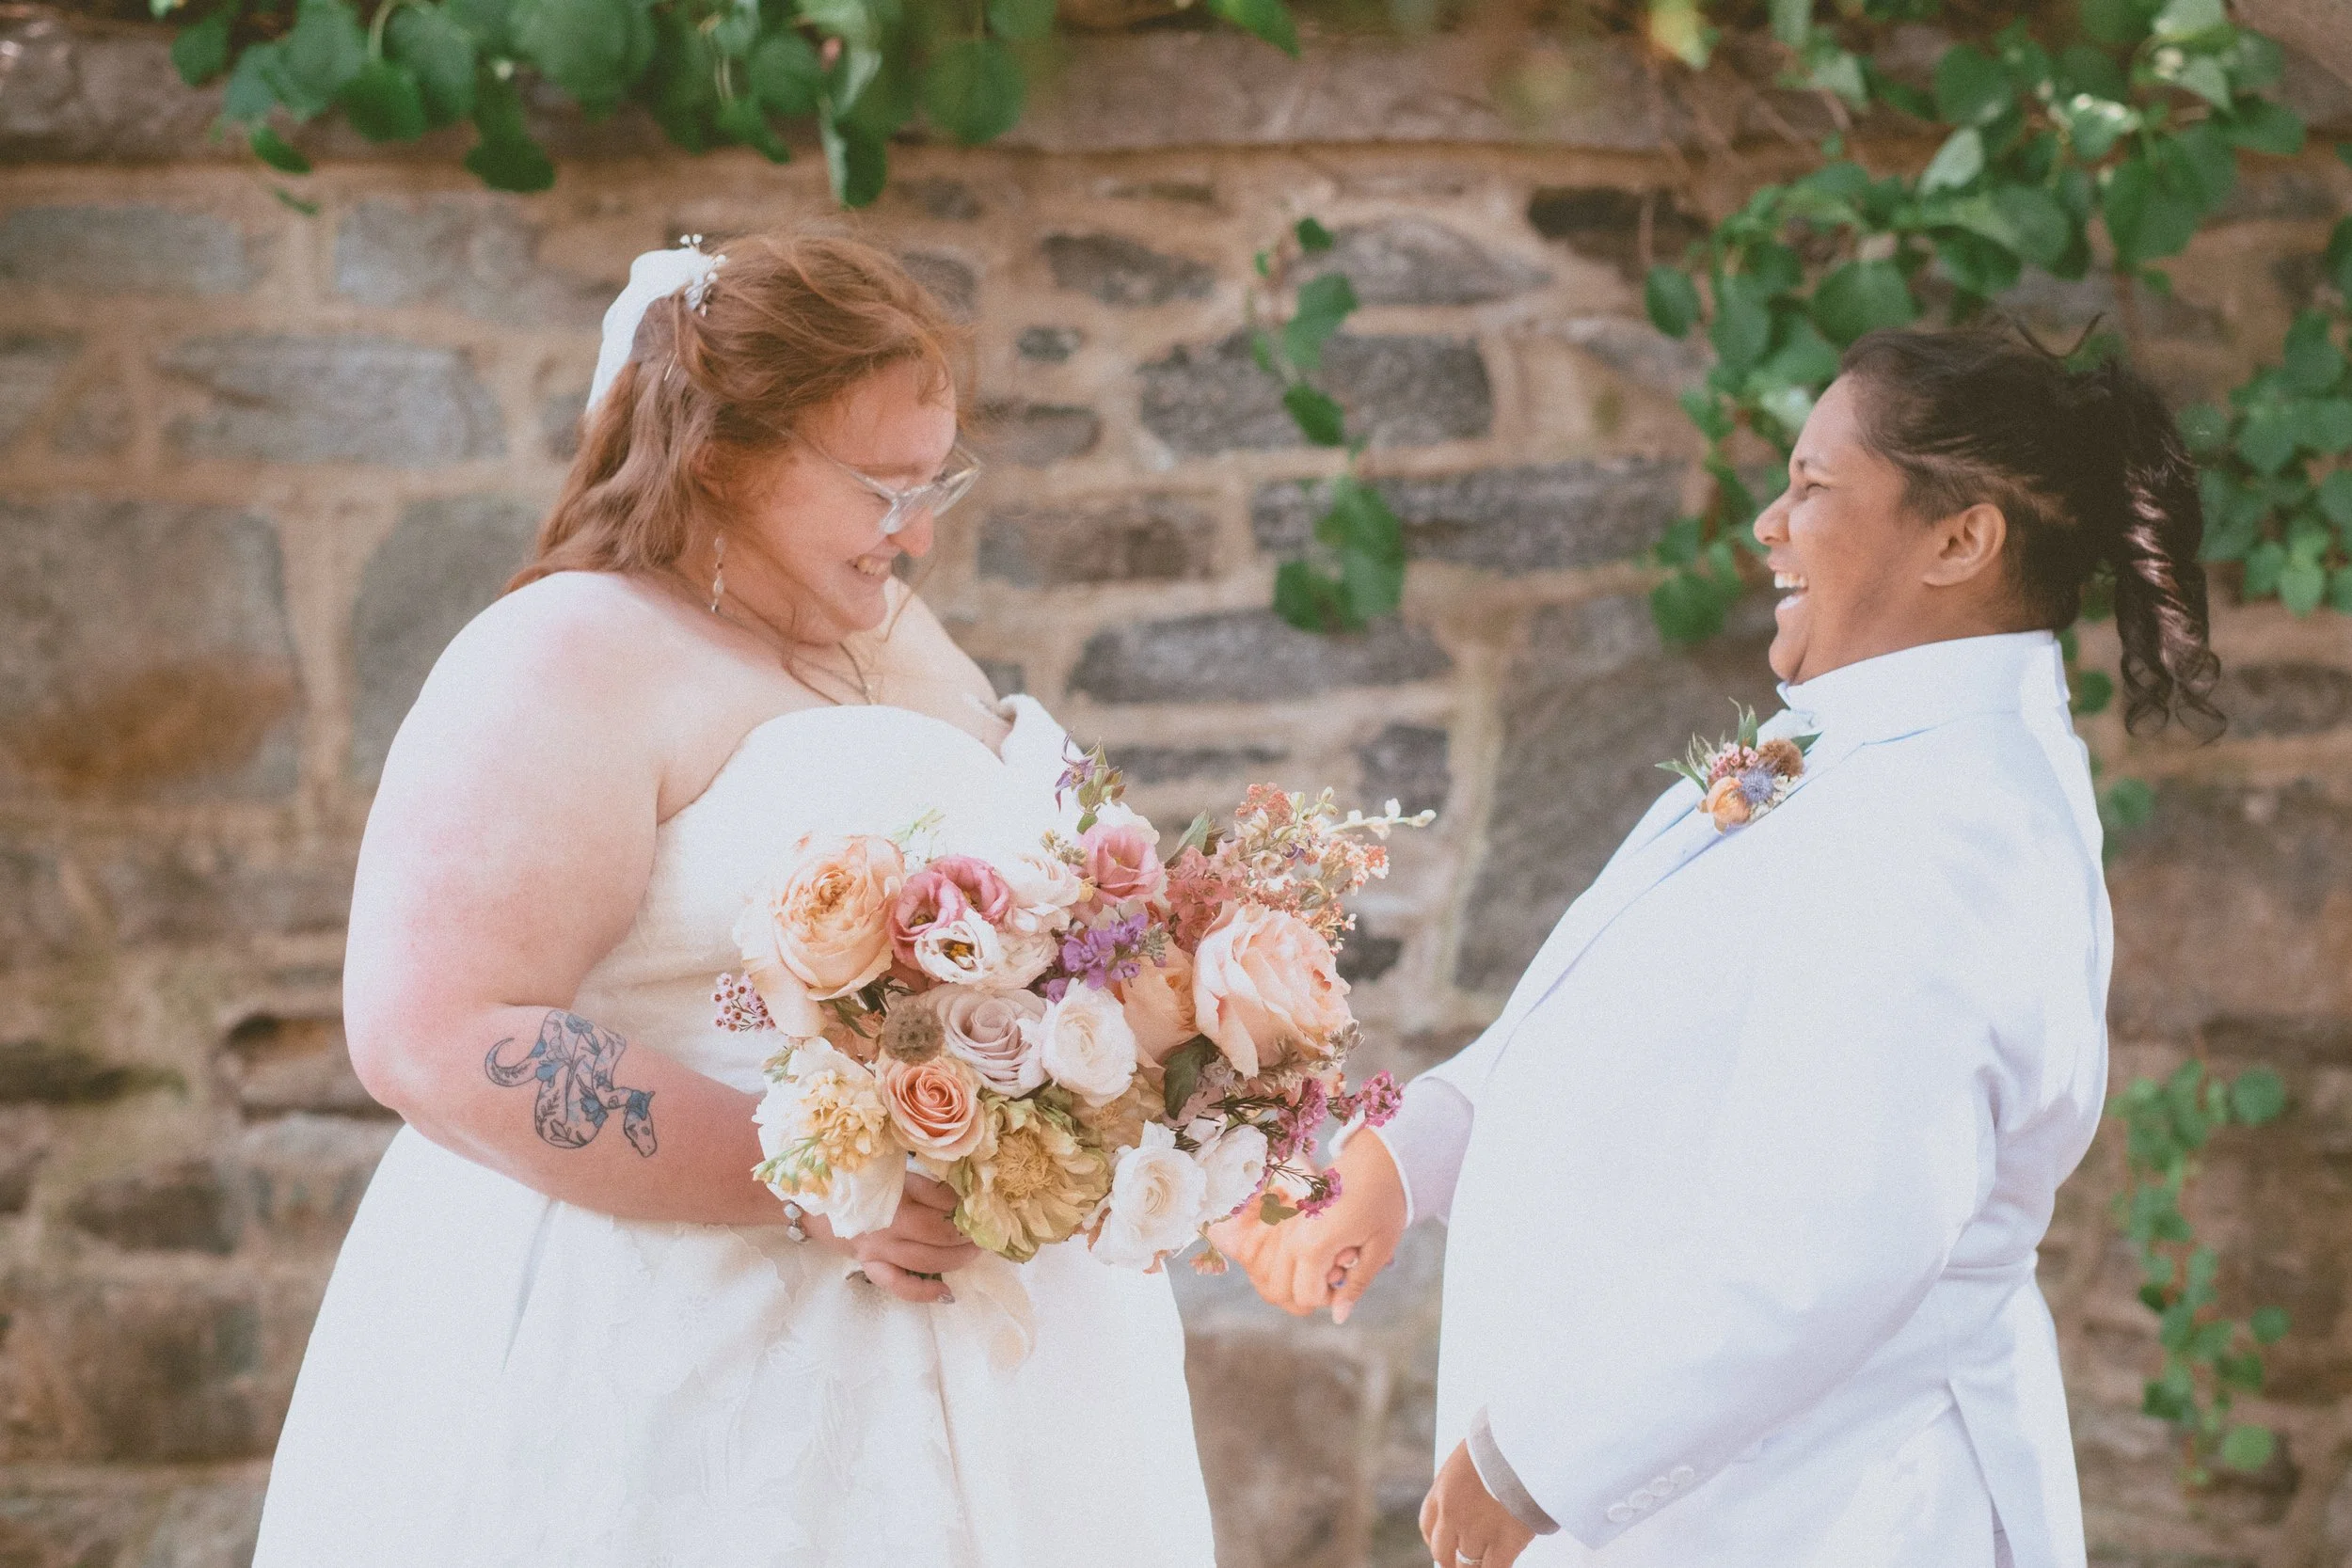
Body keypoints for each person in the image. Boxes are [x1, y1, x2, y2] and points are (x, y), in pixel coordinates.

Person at [254, 232, 1216, 1567]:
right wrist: (821, 1181)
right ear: (721, 456)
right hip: (688, 1375)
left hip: (1026, 1394)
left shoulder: (894, 639)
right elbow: (431, 1029)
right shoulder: (569, 651)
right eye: (881, 488)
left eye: (935, 480)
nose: (920, 531)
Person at [1216, 326, 2223, 1568]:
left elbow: (1832, 1239)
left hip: (1840, 1511)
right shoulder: (1840, 753)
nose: (1767, 522)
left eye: (1813, 486)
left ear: (1961, 540)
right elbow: (1606, 1020)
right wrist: (1408, 1154)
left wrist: (1539, 1460)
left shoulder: (1956, 820)